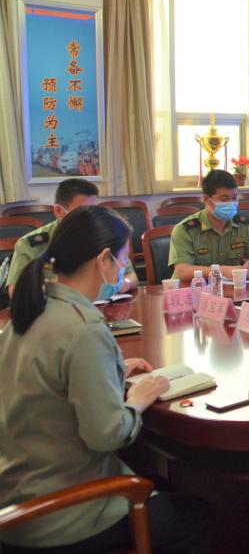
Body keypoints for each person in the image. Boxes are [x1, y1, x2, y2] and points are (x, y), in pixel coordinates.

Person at [0, 206, 211, 554]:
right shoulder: (82, 328)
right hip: (62, 515)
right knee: (200, 515)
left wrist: (109, 368)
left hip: (17, 495)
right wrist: (138, 399)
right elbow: (108, 435)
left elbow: (47, 377)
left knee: (161, 484)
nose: (123, 271)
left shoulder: (31, 310)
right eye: (122, 260)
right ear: (103, 259)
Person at [6, 178, 138, 295]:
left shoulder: (102, 235)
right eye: (83, 213)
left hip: (101, 308)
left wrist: (123, 284)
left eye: (94, 211)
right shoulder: (31, 244)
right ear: (59, 211)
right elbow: (16, 292)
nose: (91, 219)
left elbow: (131, 275)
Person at [168, 169, 249, 281]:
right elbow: (181, 271)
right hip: (194, 288)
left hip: (231, 287)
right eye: (224, 199)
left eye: (234, 198)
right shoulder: (185, 229)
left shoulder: (244, 225)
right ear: (207, 200)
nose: (231, 203)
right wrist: (220, 271)